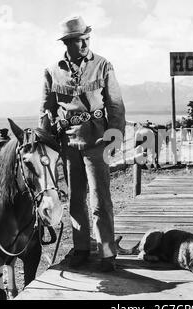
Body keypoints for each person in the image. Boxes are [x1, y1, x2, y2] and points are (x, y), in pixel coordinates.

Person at [39, 16, 126, 271]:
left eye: (87, 38)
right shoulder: (52, 71)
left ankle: (107, 253)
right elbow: (47, 110)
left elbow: (116, 104)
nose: (86, 43)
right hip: (68, 145)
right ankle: (81, 249)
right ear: (68, 42)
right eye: (80, 40)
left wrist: (115, 135)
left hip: (97, 141)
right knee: (76, 200)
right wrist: (45, 142)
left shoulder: (103, 65)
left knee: (100, 201)